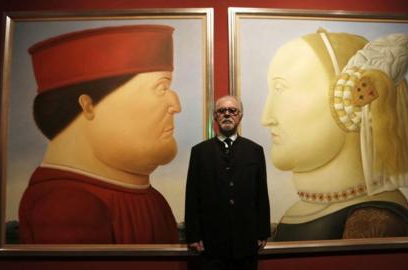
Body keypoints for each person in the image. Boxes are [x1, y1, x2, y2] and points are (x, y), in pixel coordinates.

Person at [19, 25, 182, 244]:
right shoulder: (68, 205)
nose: (176, 105)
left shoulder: (151, 199)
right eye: (161, 88)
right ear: (88, 106)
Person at [262, 29, 408, 241]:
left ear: (347, 100)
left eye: (280, 88)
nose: (266, 118)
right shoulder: (307, 208)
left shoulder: (373, 221)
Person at [185, 95, 271, 270]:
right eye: (221, 111)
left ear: (240, 116)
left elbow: (261, 193)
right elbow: (192, 196)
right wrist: (193, 235)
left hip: (246, 242)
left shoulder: (254, 150)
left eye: (232, 110)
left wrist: (263, 232)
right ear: (215, 117)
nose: (227, 114)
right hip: (211, 244)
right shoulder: (199, 152)